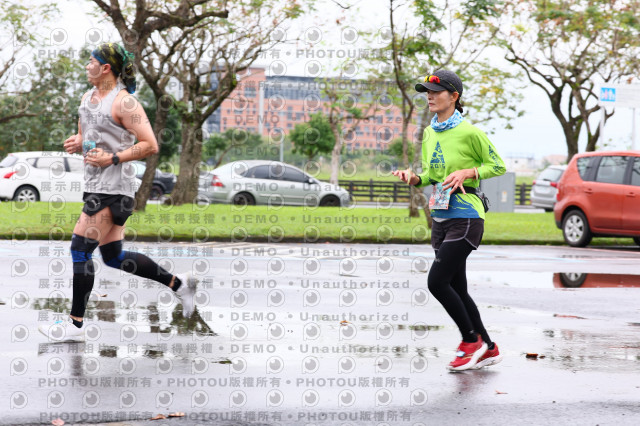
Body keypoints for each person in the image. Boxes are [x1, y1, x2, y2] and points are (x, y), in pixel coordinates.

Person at [39, 42, 198, 342]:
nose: (86, 66)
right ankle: (179, 285)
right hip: (95, 186)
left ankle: (75, 324)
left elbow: (150, 144)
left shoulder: (125, 103)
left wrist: (112, 158)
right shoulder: (87, 98)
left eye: (91, 61)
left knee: (79, 249)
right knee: (114, 257)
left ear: (105, 68)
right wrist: (79, 140)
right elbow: (88, 135)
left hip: (115, 189)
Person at [393, 70, 506, 371]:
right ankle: (489, 347)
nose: (429, 96)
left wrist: (469, 172)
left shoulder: (470, 133)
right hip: (440, 217)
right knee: (457, 287)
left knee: (437, 282)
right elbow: (432, 175)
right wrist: (414, 178)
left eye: (436, 91)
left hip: (466, 216)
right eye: (427, 92)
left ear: (454, 96)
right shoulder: (430, 133)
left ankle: (470, 341)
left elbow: (497, 165)